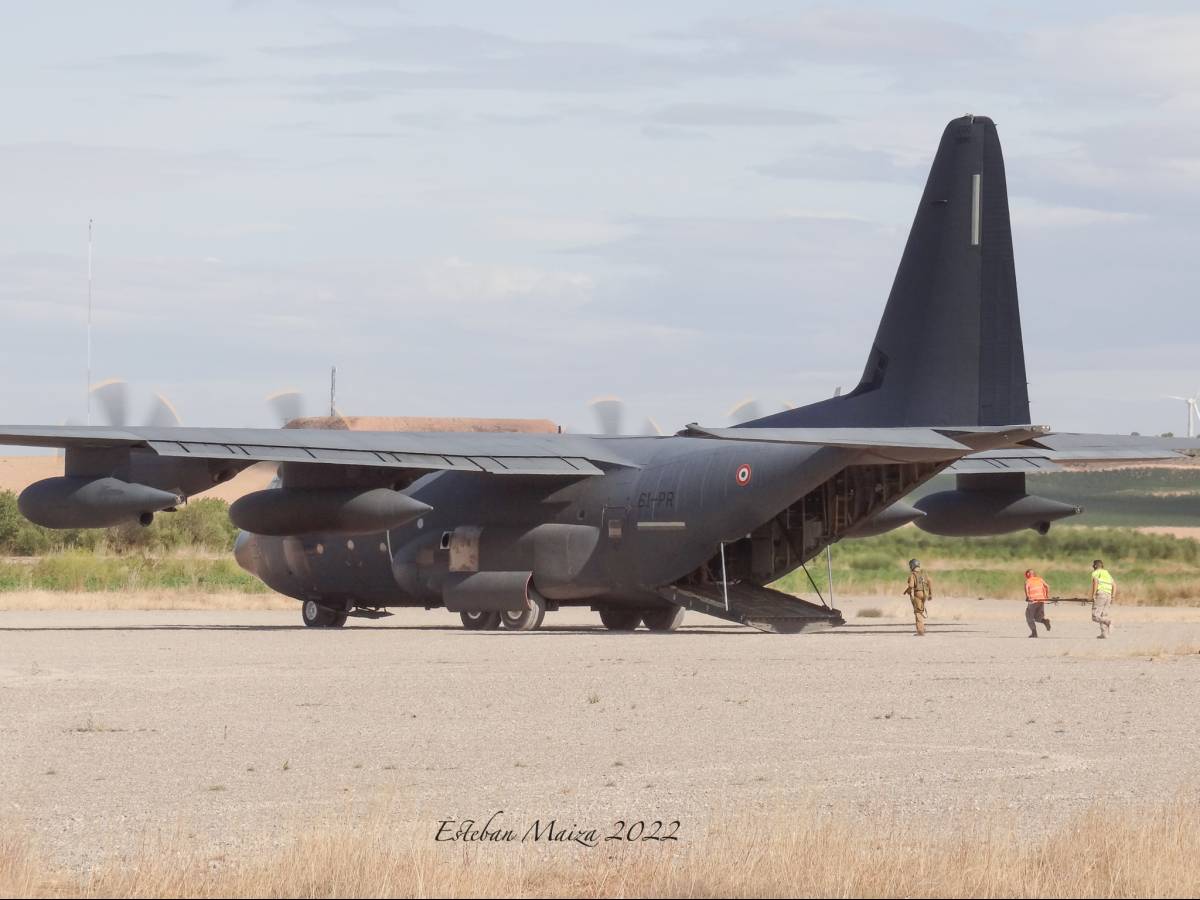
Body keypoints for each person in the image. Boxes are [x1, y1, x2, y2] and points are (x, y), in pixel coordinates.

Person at [904, 558, 932, 636]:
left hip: (918, 594)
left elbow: (911, 585)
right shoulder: (924, 573)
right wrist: (930, 594)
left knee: (917, 612)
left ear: (912, 566)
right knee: (921, 610)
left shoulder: (913, 575)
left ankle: (920, 630)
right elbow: (929, 582)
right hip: (925, 594)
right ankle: (922, 627)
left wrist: (909, 591)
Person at [1089, 559, 1115, 639]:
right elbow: (1114, 584)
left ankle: (1109, 622)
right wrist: (1113, 596)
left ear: (1096, 565)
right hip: (1108, 595)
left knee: (1095, 616)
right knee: (1103, 615)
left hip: (1101, 594)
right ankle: (1104, 634)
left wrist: (1093, 595)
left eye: (1093, 565)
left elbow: (1096, 582)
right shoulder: (1107, 573)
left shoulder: (1095, 572)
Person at [1023, 569, 1052, 638]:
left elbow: (1027, 589)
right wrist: (1046, 596)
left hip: (1033, 600)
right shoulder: (1040, 579)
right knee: (1038, 617)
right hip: (1041, 600)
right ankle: (1045, 621)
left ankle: (1034, 633)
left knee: (1029, 616)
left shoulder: (1028, 581)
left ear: (1028, 575)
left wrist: (1028, 597)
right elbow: (1047, 586)